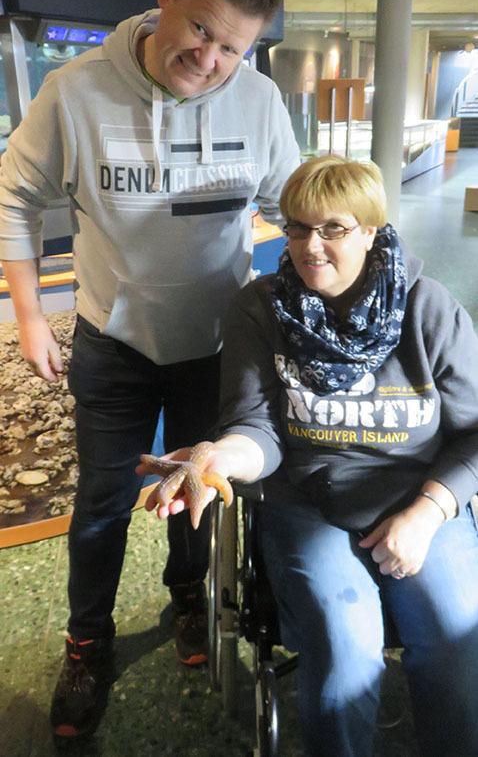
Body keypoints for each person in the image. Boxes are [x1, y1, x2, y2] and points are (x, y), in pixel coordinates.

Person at [0, 0, 300, 739]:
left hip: (216, 345)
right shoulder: (75, 91)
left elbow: (294, 206)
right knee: (101, 503)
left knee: (199, 489)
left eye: (233, 48)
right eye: (200, 29)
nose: (209, 58)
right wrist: (29, 314)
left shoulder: (258, 102)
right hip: (114, 344)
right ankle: (86, 643)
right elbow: (15, 195)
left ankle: (188, 598)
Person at [141, 155, 478, 757]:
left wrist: (427, 513)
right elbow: (258, 428)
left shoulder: (428, 309)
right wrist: (216, 458)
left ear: (371, 230)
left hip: (420, 495)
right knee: (344, 643)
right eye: (297, 228)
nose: (308, 246)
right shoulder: (260, 309)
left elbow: (474, 431)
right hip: (308, 502)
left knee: (455, 635)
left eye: (333, 229)